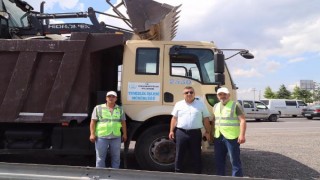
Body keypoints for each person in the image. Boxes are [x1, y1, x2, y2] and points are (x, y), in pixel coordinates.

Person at [169, 86, 211, 174]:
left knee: (196, 154)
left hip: (195, 133)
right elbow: (174, 118)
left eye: (191, 92)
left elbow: (206, 119)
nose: (189, 94)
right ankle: (178, 173)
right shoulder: (178, 104)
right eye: (186, 92)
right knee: (179, 154)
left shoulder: (201, 104)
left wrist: (207, 132)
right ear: (183, 94)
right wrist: (171, 131)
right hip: (181, 132)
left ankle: (197, 174)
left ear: (194, 94)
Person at [212, 87, 246, 177]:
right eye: (220, 94)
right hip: (218, 137)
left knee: (235, 162)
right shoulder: (215, 106)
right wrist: (212, 134)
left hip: (232, 137)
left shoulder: (235, 105)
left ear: (229, 95)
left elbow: (242, 120)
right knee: (219, 161)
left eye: (224, 94)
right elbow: (215, 121)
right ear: (217, 96)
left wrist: (242, 135)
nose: (222, 96)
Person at [89, 91, 127, 168]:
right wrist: (92, 134)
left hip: (116, 137)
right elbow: (93, 122)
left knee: (116, 158)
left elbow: (123, 122)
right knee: (100, 158)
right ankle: (100, 174)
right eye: (109, 96)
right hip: (101, 137)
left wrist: (125, 134)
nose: (111, 98)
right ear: (106, 98)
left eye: (113, 97)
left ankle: (114, 174)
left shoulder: (120, 109)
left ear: (116, 99)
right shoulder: (98, 108)